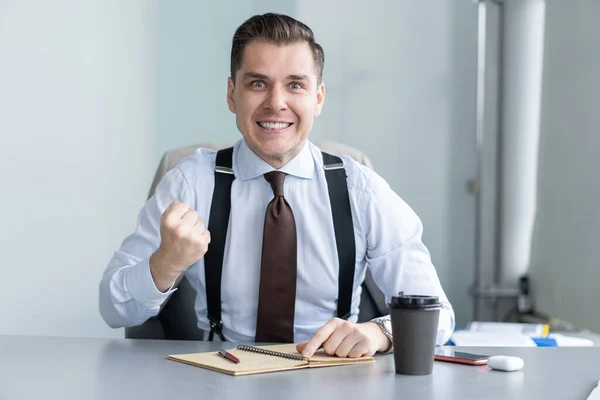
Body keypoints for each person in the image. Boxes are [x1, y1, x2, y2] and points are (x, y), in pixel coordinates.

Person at [99, 13, 454, 358]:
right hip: (221, 376)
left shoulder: (361, 190)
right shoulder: (190, 183)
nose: (275, 103)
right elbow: (114, 309)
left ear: (318, 99)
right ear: (231, 94)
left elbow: (438, 315)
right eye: (257, 83)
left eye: (295, 85)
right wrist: (164, 264)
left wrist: (379, 333)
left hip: (336, 382)